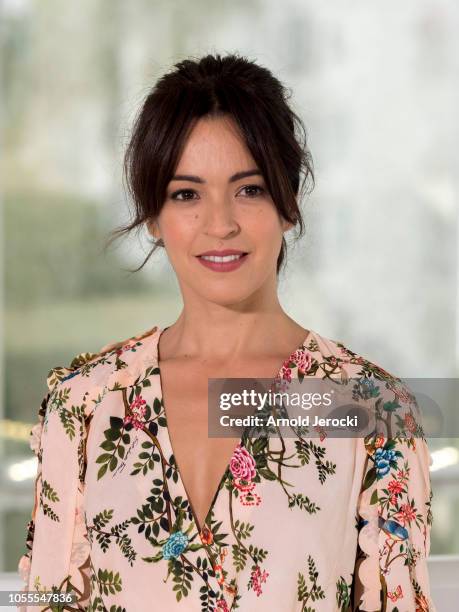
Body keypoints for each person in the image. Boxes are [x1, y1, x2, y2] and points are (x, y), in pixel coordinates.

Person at [17, 53, 436, 611]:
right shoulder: (85, 404)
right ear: (152, 216)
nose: (221, 224)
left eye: (250, 189)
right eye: (186, 193)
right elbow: (46, 599)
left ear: (289, 203)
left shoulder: (371, 409)